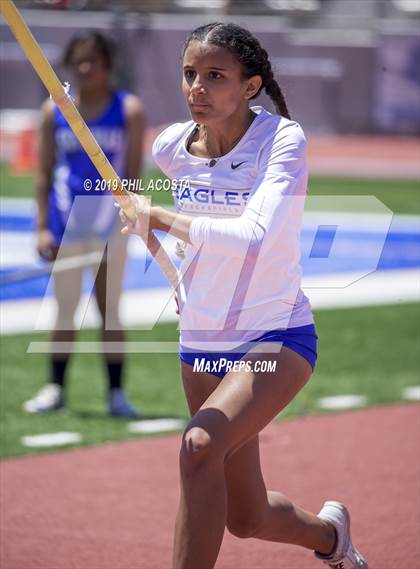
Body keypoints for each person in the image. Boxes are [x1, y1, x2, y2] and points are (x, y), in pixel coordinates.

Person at [120, 22, 368, 569]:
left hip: (276, 334)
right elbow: (186, 230)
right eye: (189, 74)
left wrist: (162, 215)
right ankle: (331, 538)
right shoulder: (170, 147)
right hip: (202, 337)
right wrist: (143, 219)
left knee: (198, 447)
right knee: (246, 516)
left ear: (250, 86)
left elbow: (256, 236)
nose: (196, 89)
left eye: (214, 76)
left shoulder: (282, 140)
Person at [23, 31, 144, 418]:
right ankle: (55, 388)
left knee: (110, 311)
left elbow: (134, 178)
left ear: (109, 65)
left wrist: (127, 221)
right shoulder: (53, 111)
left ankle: (117, 395)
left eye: (94, 60)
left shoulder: (128, 110)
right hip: (65, 228)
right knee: (64, 310)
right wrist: (43, 227)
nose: (87, 68)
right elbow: (43, 174)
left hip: (110, 229)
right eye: (80, 61)